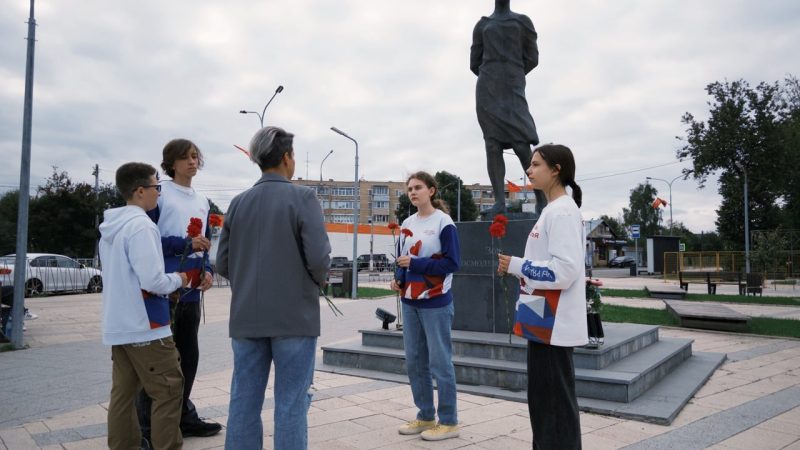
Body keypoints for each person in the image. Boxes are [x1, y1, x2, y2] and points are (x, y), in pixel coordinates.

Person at [217, 126, 331, 450]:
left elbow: (222, 262)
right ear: (286, 158)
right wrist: (313, 282)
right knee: (291, 404)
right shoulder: (303, 197)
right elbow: (320, 259)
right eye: (293, 155)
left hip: (246, 319)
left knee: (243, 402)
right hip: (294, 317)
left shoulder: (238, 203)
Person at [99, 162, 197, 450]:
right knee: (168, 391)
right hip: (147, 327)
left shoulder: (111, 227)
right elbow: (152, 281)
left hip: (120, 324)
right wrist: (181, 278)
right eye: (157, 187)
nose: (159, 193)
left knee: (123, 396)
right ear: (140, 191)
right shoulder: (142, 225)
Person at [497, 144, 587, 449]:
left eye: (536, 164)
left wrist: (517, 266)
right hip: (542, 316)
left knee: (552, 403)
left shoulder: (561, 211)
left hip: (553, 321)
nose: (529, 170)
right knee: (544, 401)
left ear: (556, 169)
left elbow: (565, 270)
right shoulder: (553, 209)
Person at [136, 139, 220, 442]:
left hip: (191, 291)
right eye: (185, 157)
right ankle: (145, 429)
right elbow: (145, 240)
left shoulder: (202, 200)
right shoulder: (159, 195)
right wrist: (184, 244)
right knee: (159, 361)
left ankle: (184, 415)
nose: (192, 162)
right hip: (162, 289)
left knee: (189, 357)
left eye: (196, 156)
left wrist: (207, 271)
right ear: (171, 163)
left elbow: (206, 243)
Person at [391, 171, 461, 441]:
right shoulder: (407, 222)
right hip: (409, 302)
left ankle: (449, 421)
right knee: (415, 362)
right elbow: (402, 259)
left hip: (435, 302)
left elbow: (453, 263)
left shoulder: (444, 222)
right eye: (409, 188)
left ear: (431, 191)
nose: (413, 192)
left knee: (440, 363)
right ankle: (425, 416)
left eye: (418, 187)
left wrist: (416, 264)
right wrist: (398, 280)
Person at [471, 0, 547, 216]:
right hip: (487, 87)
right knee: (492, 144)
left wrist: (512, 70)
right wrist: (493, 72)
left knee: (521, 142)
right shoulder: (482, 24)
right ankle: (499, 202)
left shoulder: (522, 22)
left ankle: (541, 198)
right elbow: (473, 61)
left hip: (513, 84)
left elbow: (532, 57)